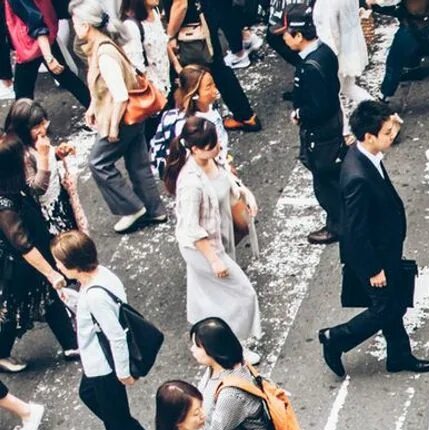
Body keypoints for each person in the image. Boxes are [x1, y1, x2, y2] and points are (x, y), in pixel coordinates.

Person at [318, 100, 429, 378]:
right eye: (386, 132)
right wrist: (373, 269)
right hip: (373, 255)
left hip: (384, 247)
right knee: (386, 307)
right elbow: (355, 230)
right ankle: (335, 338)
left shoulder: (363, 156)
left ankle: (399, 356)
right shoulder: (358, 176)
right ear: (368, 136)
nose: (392, 135)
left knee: (391, 302)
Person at [53, 231, 145, 430]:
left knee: (115, 418)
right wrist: (72, 299)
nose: (57, 267)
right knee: (90, 396)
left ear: (73, 266)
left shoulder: (94, 295)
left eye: (60, 263)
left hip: (104, 366)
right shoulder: (99, 277)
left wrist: (123, 372)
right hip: (98, 363)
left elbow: (115, 335)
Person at [75, 0, 168, 233]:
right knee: (138, 164)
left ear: (87, 26)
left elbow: (119, 95)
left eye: (77, 21)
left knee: (98, 162)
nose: (74, 26)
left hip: (122, 118)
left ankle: (132, 208)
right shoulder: (106, 45)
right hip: (135, 117)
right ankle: (155, 210)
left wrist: (113, 128)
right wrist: (91, 108)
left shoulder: (103, 53)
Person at [166, 116, 260, 345]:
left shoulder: (210, 159)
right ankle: (235, 342)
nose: (217, 148)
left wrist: (245, 192)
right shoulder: (190, 183)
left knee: (208, 292)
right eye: (211, 146)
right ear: (195, 149)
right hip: (203, 246)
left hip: (218, 232)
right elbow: (191, 227)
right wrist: (214, 260)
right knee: (243, 294)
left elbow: (226, 178)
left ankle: (207, 336)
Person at [0, 135, 76, 374]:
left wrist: (49, 156)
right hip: (17, 268)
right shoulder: (6, 206)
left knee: (49, 298)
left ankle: (71, 345)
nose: (27, 158)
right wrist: (51, 272)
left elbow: (37, 185)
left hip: (31, 259)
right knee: (12, 310)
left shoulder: (14, 186)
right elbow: (22, 244)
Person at [281, 5, 344, 245]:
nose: (284, 38)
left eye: (286, 34)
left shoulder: (310, 67)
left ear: (298, 36)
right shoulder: (325, 52)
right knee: (333, 174)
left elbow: (319, 108)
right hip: (333, 125)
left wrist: (300, 113)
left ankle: (337, 225)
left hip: (321, 132)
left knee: (325, 181)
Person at [162, 0, 260, 133]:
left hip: (192, 28)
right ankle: (245, 116)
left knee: (190, 75)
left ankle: (188, 127)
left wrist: (169, 35)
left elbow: (181, 4)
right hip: (204, 18)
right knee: (217, 69)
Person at [8, 101, 86, 239]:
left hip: (60, 198)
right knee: (64, 245)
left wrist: (57, 153)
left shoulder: (41, 139)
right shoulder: (24, 155)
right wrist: (44, 156)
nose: (42, 130)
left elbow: (49, 157)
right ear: (22, 129)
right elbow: (36, 189)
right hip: (47, 211)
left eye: (43, 124)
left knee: (75, 235)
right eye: (36, 127)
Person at [374, 0, 429, 110]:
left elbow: (386, 2)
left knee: (394, 62)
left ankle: (383, 99)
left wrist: (372, 2)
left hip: (414, 26)